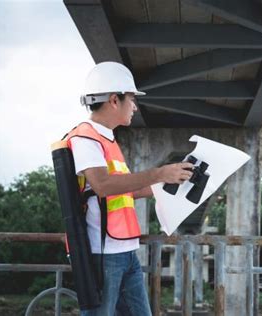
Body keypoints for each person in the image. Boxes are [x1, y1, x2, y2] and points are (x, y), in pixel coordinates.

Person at [66, 61, 193, 315]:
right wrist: (158, 172)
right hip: (102, 253)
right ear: (115, 100)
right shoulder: (85, 137)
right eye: (132, 99)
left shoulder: (108, 139)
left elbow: (125, 190)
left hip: (126, 251)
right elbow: (102, 186)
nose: (135, 106)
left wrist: (167, 182)